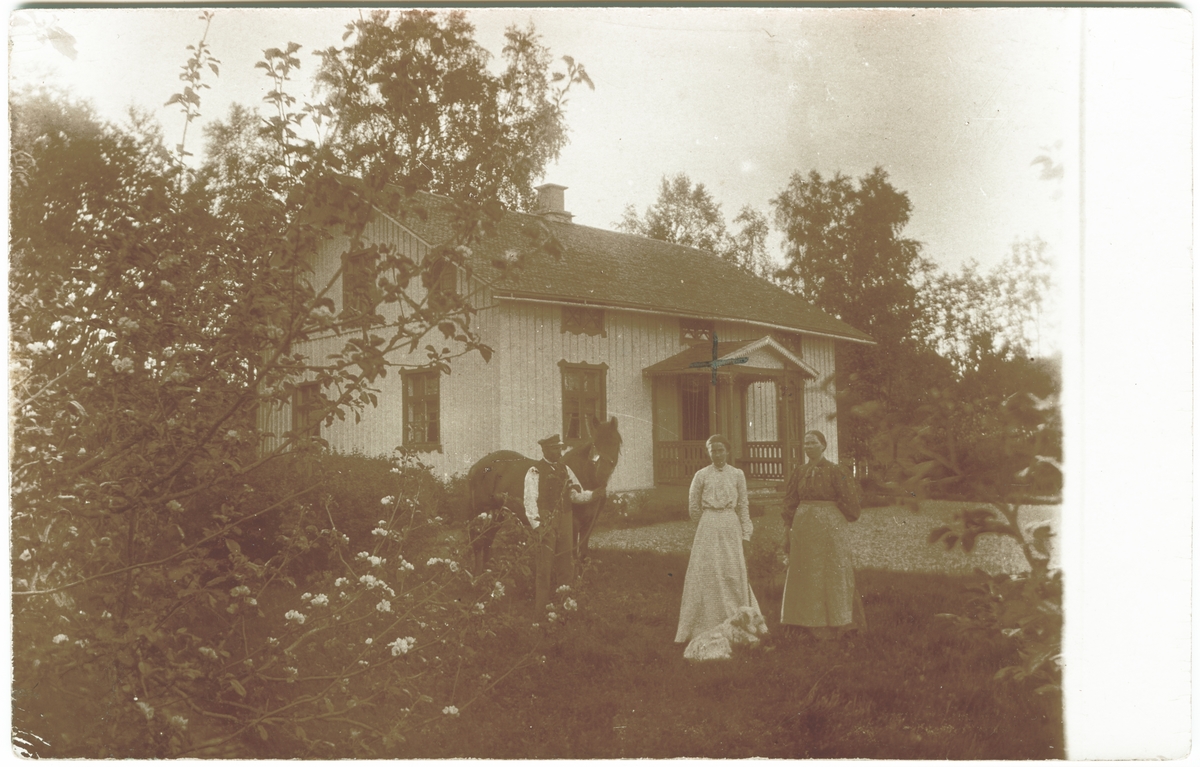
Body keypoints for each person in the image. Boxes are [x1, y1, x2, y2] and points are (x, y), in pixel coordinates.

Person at [674, 434, 765, 646]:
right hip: (708, 525)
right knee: (707, 571)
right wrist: (708, 524)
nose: (717, 454)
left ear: (727, 451)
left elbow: (743, 505)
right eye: (713, 451)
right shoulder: (701, 475)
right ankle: (706, 621)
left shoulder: (737, 474)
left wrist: (746, 534)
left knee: (732, 570)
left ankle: (738, 618)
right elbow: (693, 507)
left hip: (731, 524)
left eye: (720, 450)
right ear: (708, 453)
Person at [779, 430, 865, 640]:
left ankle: (838, 622)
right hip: (804, 527)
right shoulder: (799, 472)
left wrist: (833, 516)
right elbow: (790, 502)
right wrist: (787, 530)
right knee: (806, 572)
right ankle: (804, 623)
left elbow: (851, 502)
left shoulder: (837, 471)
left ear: (824, 446)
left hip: (830, 528)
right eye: (806, 443)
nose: (809, 447)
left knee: (832, 571)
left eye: (813, 443)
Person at [530, 435, 592, 612]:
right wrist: (537, 526)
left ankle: (564, 607)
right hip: (546, 520)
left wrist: (593, 495)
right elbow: (529, 501)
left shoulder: (565, 469)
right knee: (545, 566)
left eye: (560, 448)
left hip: (565, 518)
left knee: (566, 563)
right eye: (555, 448)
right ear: (545, 450)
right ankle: (541, 610)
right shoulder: (535, 471)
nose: (559, 452)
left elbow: (575, 494)